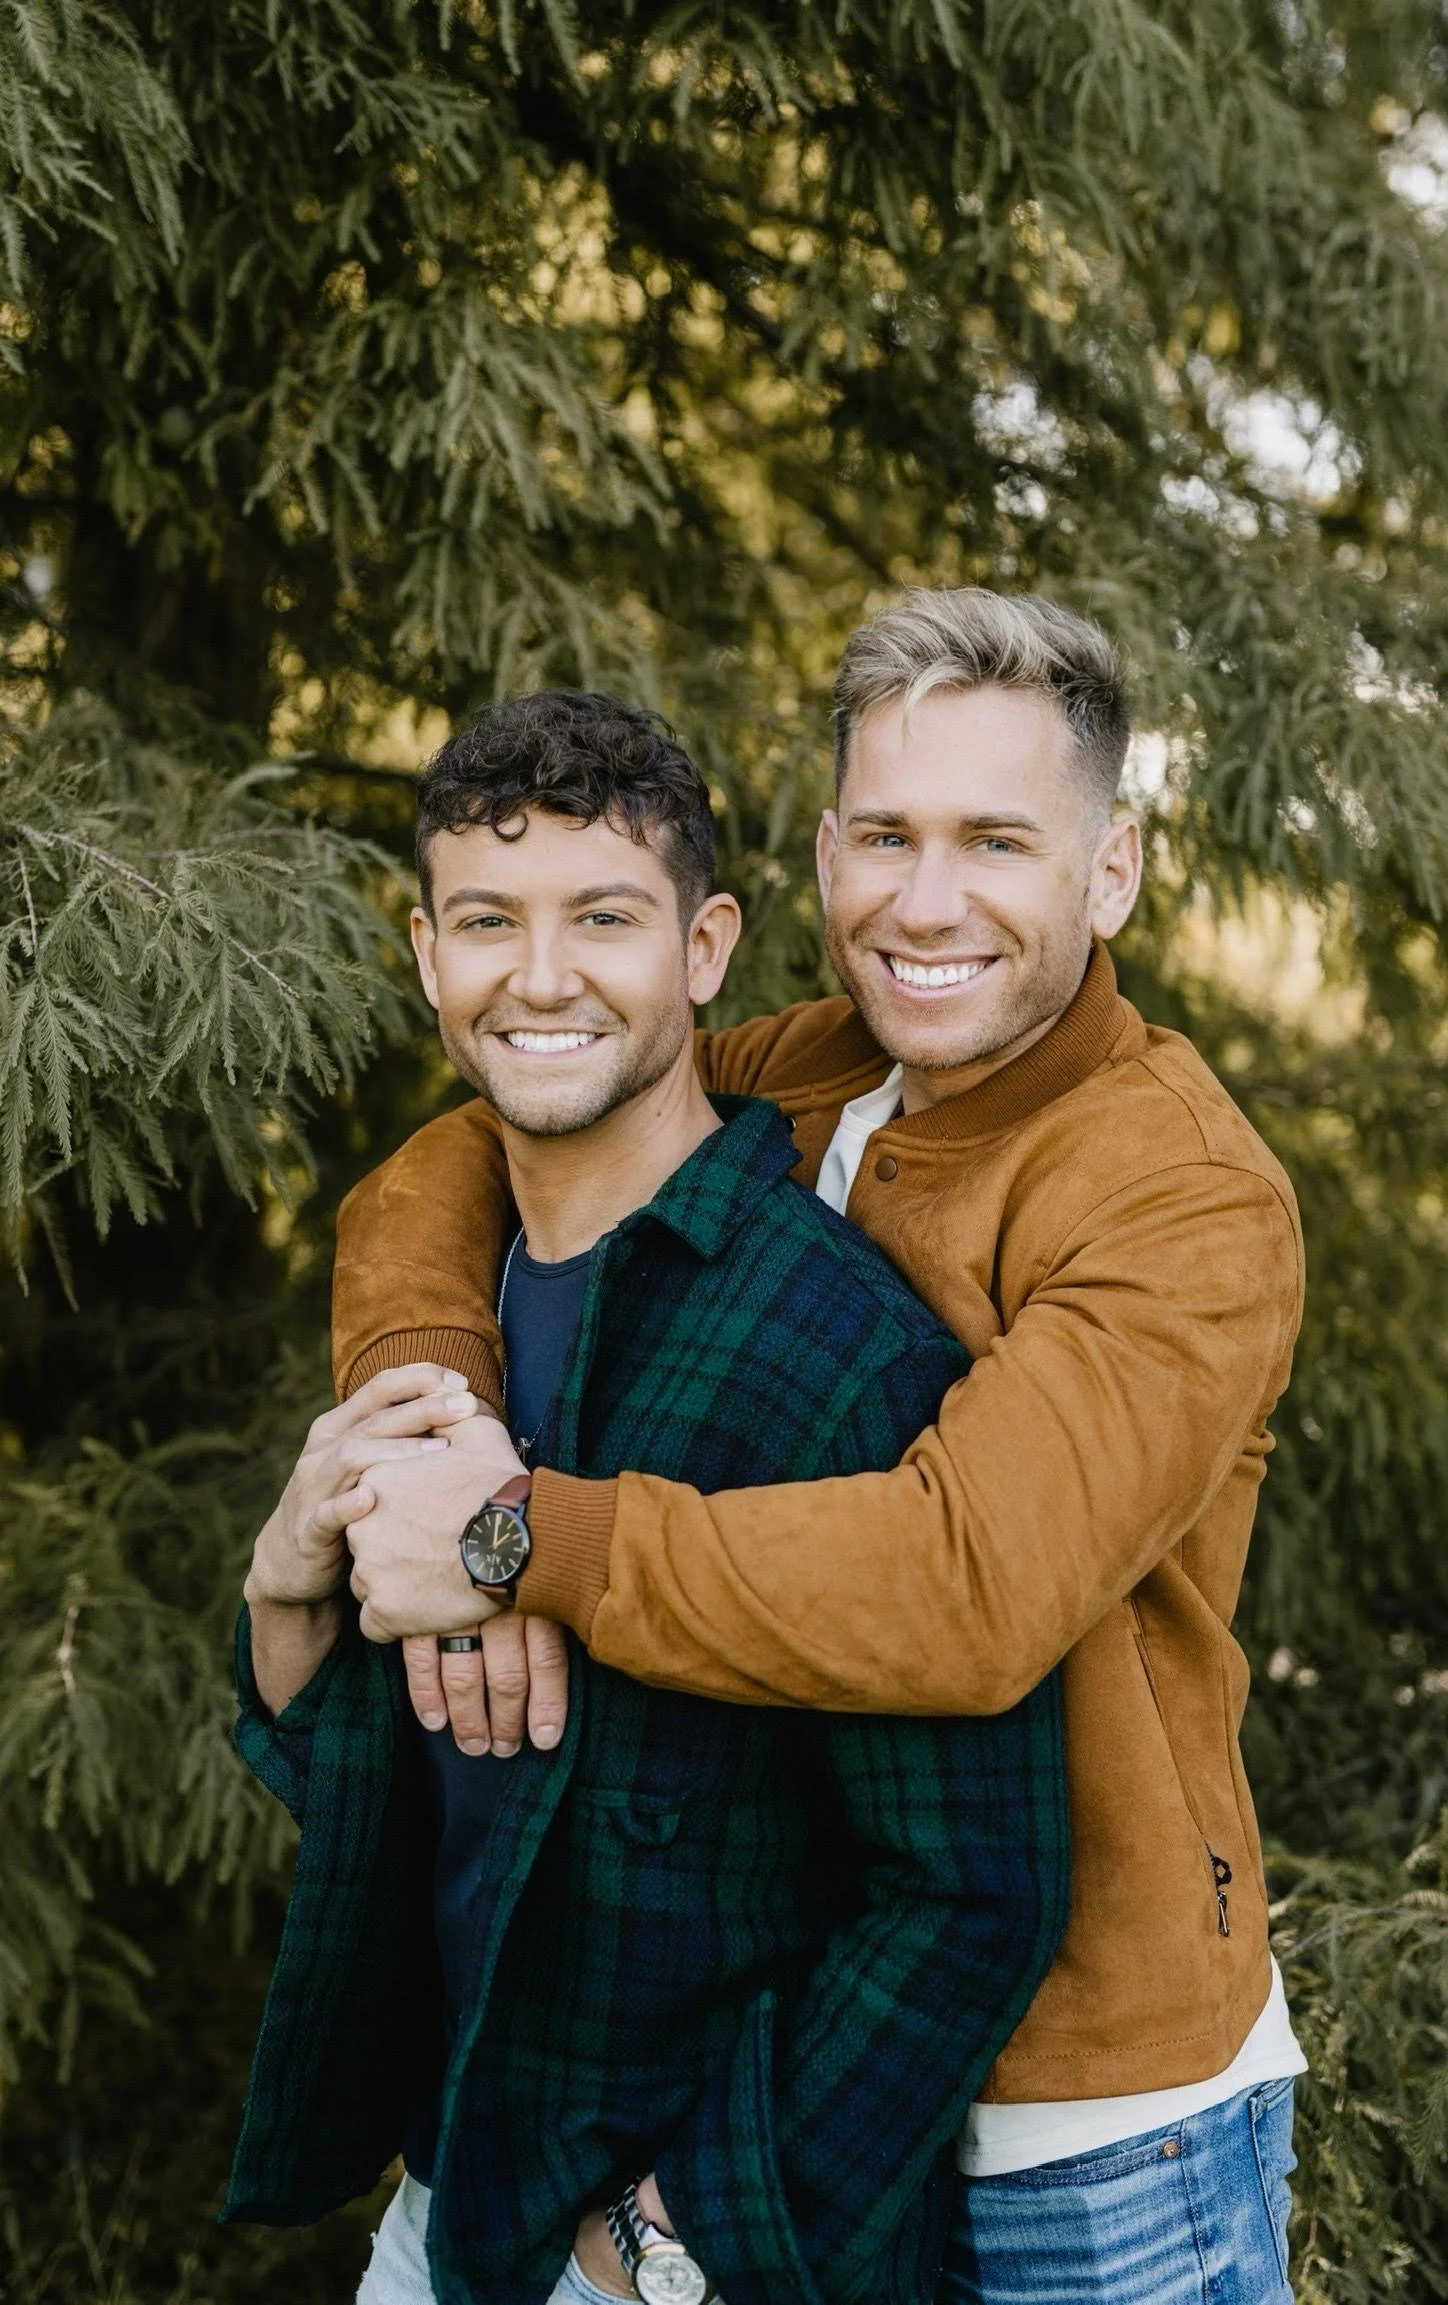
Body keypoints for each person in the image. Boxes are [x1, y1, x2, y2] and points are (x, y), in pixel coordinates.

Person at [332, 590, 1309, 2304]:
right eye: (886, 836)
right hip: (810, 2062)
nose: (926, 903)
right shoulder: (814, 1072)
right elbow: (486, 1132)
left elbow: (962, 1584)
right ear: (825, 852)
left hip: (1089, 2134)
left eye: (996, 841)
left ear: (1111, 872)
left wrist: (512, 1536)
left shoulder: (1184, 1196)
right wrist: (435, 1405)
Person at [226, 690, 1071, 2305]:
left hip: (675, 2249)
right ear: (428, 957)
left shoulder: (839, 1352)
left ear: (705, 948)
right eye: (491, 922)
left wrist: (665, 2245)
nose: (541, 977)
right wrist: (283, 1581)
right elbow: (390, 1794)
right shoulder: (441, 1337)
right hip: (442, 2207)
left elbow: (975, 1894)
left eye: (604, 918)